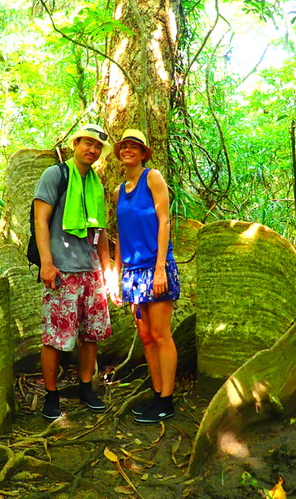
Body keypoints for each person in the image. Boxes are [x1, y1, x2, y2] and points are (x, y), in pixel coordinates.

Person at [33, 123, 115, 420]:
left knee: (91, 335)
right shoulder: (55, 175)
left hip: (91, 271)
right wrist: (47, 263)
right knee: (54, 337)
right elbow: (40, 220)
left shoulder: (95, 184)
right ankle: (51, 396)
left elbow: (100, 231)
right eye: (87, 143)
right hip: (62, 270)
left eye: (98, 147)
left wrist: (107, 269)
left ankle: (85, 388)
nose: (92, 150)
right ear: (76, 143)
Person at [112, 129, 180, 424]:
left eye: (134, 147)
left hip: (155, 266)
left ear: (142, 154)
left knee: (162, 335)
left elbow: (164, 221)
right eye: (124, 146)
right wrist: (116, 276)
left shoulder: (152, 178)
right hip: (132, 272)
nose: (128, 150)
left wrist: (161, 268)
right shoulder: (118, 192)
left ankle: (167, 400)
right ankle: (156, 393)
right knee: (146, 337)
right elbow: (121, 234)